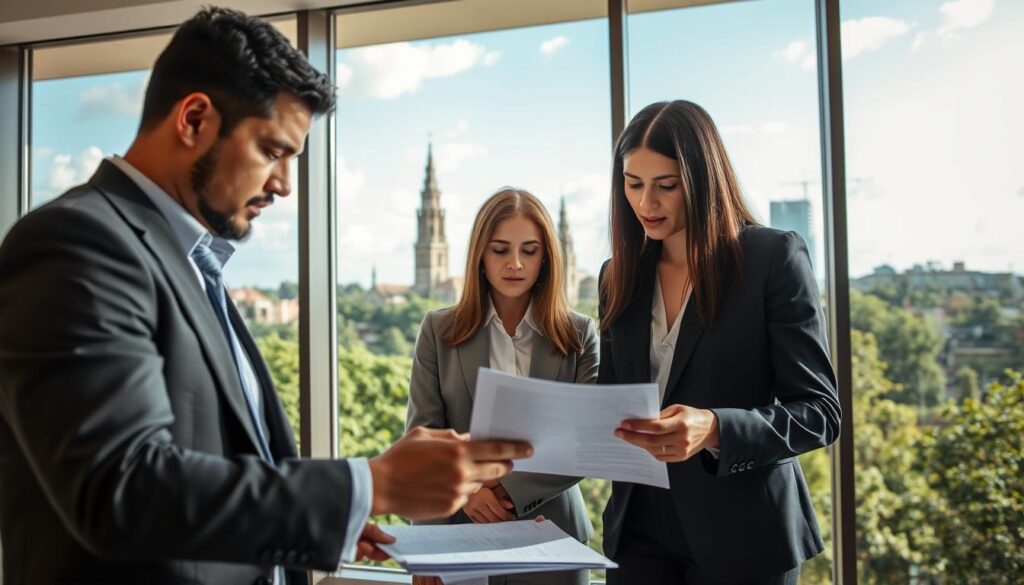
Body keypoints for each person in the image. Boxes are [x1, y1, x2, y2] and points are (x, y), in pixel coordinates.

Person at [0, 8, 530, 585]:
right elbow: (122, 490)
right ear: (194, 118)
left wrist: (319, 520)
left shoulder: (191, 262)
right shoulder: (77, 243)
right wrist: (371, 484)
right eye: (273, 151)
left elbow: (215, 459)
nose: (283, 185)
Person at [597, 100, 841, 585]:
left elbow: (820, 412)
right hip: (638, 531)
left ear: (704, 180)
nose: (647, 204)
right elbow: (611, 399)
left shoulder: (771, 258)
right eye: (633, 184)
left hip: (743, 534)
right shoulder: (617, 276)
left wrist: (714, 429)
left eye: (666, 186)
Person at [406, 188, 598, 585]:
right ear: (480, 253)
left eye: (529, 250)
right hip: (460, 531)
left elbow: (586, 439)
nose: (514, 263)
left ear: (546, 256)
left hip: (554, 536)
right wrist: (430, 536)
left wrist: (507, 490)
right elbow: (424, 441)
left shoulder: (580, 334)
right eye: (500, 250)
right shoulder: (438, 331)